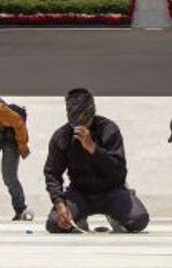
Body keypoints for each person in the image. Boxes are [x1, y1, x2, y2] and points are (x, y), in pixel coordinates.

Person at [44, 88, 149, 234]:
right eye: (76, 123)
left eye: (85, 121)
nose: (81, 126)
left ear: (92, 114)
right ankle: (78, 218)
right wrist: (60, 204)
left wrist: (93, 149)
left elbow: (119, 171)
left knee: (139, 220)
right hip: (80, 193)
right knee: (54, 224)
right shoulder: (62, 137)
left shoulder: (109, 130)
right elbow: (52, 173)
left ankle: (116, 214)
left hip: (112, 191)